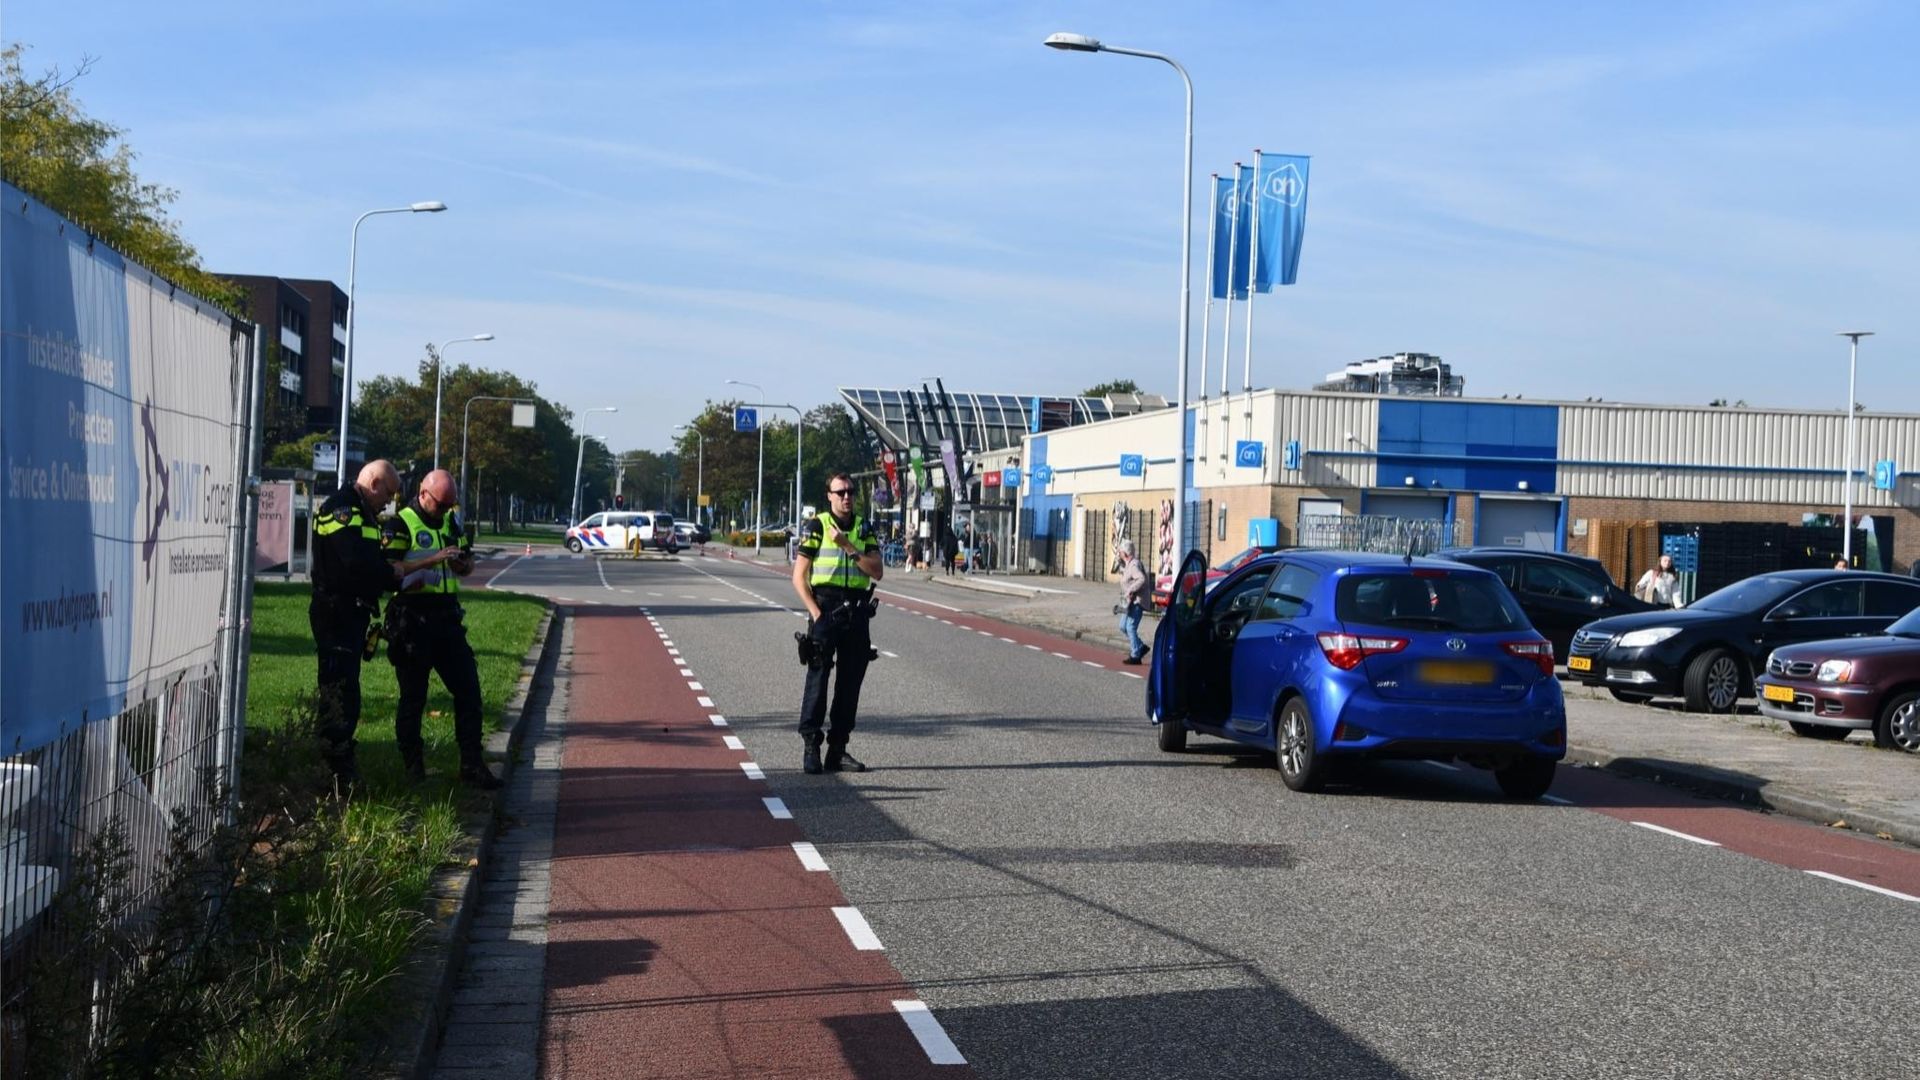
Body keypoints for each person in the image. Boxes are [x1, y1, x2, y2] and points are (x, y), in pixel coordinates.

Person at [310, 460, 453, 788]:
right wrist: (394, 575)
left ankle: (339, 766)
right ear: (374, 483)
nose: (389, 502)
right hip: (337, 613)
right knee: (339, 691)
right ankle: (335, 770)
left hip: (351, 613)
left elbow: (367, 562)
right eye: (388, 493)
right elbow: (357, 564)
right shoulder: (344, 511)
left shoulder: (362, 512)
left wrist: (392, 575)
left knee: (347, 689)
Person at [381, 470, 502, 789]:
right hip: (412, 619)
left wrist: (462, 565)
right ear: (423, 494)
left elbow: (468, 562)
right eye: (440, 505)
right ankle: (413, 768)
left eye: (450, 505)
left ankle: (472, 765)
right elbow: (390, 569)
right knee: (413, 698)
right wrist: (432, 560)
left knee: (469, 691)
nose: (445, 511)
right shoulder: (400, 524)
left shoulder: (450, 522)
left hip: (447, 619)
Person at [792, 473, 885, 774]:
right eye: (841, 492)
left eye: (851, 492)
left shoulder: (863, 527)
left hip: (856, 610)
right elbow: (799, 576)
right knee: (818, 679)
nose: (847, 497)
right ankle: (811, 748)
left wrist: (848, 546)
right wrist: (816, 613)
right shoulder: (817, 526)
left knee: (850, 684)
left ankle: (838, 749)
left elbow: (877, 571)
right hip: (826, 607)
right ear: (829, 496)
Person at [1117, 540, 1152, 664]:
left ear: (1125, 553)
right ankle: (1140, 646)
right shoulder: (1128, 565)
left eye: (1120, 551)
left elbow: (1141, 579)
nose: (1119, 553)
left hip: (1137, 601)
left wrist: (1131, 590)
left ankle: (1135, 655)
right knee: (1122, 626)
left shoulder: (1134, 565)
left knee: (1130, 627)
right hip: (1128, 602)